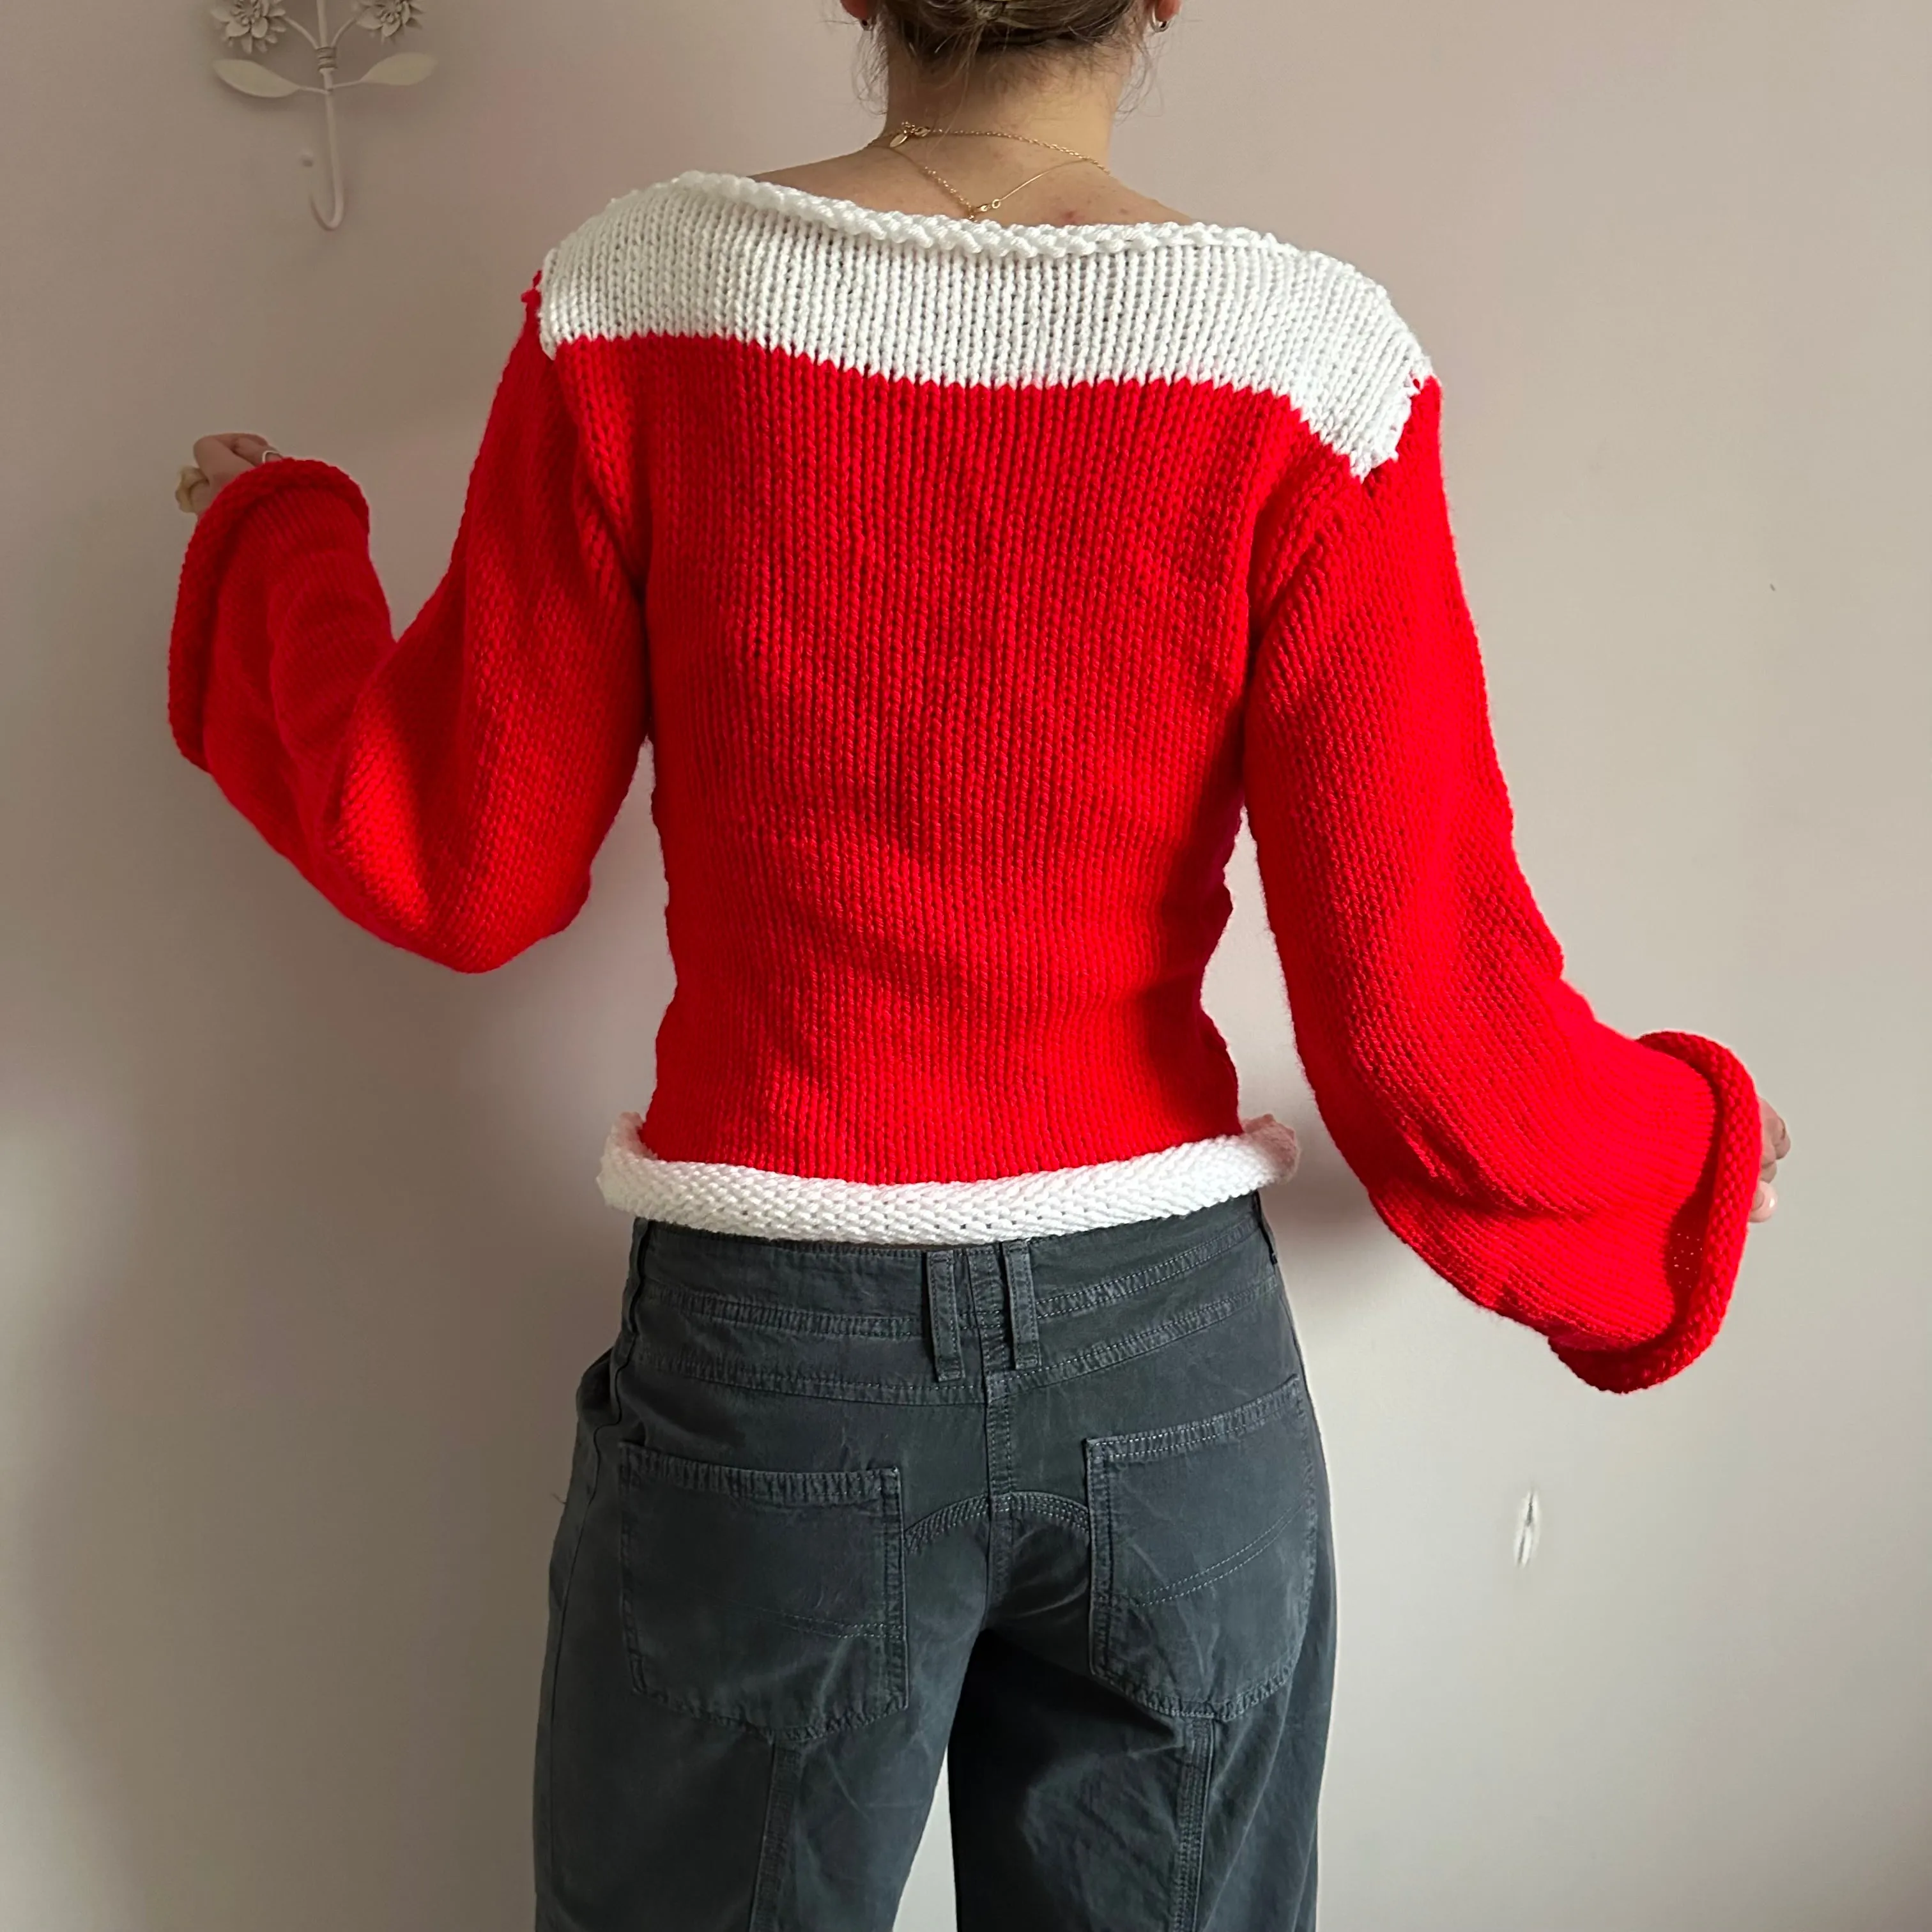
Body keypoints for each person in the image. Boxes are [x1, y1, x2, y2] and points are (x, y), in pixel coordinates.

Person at [167, 1, 1790, 1925]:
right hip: (1170, 1374)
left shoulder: (642, 306)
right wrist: (1678, 1154)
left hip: (778, 1369)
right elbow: (1426, 1015)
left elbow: (453, 850)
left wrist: (275, 544)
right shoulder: (1309, 372)